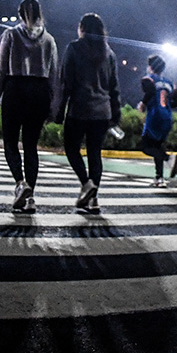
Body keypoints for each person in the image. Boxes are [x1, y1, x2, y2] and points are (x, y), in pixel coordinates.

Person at [0, 0, 61, 213]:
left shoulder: (10, 35)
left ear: (20, 14)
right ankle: (31, 200)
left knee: (10, 143)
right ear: (40, 13)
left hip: (15, 89)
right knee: (31, 147)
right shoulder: (49, 40)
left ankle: (21, 184)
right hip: (39, 93)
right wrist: (54, 106)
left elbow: (0, 68)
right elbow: (54, 76)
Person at [59, 13, 120, 213]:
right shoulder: (109, 53)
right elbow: (114, 87)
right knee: (95, 154)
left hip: (79, 109)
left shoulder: (74, 48)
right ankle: (93, 200)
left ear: (82, 28)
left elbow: (66, 82)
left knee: (71, 148)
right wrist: (115, 113)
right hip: (102, 111)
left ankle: (86, 184)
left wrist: (60, 109)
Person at [140, 54, 177, 187]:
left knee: (145, 147)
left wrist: (143, 103)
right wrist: (168, 106)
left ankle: (169, 158)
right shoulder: (170, 83)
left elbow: (151, 91)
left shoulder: (148, 79)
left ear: (150, 67)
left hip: (154, 116)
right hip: (167, 117)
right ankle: (159, 178)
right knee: (157, 146)